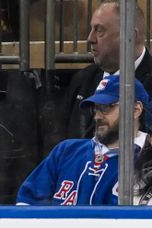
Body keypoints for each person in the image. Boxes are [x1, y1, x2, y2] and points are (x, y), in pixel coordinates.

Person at [17, 74, 149, 206]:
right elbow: (27, 203)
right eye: (95, 109)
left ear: (135, 110)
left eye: (105, 108)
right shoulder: (66, 151)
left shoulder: (147, 162)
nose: (97, 116)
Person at [55, 1, 152, 145]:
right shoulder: (82, 80)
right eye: (91, 29)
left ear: (130, 35)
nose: (90, 38)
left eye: (99, 30)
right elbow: (59, 143)